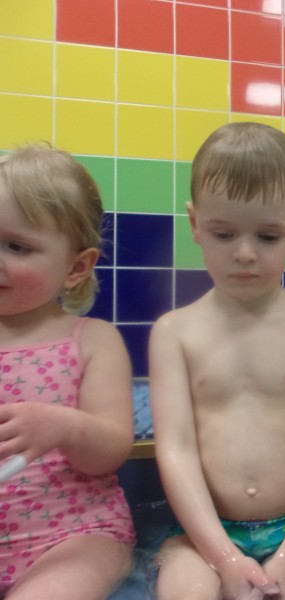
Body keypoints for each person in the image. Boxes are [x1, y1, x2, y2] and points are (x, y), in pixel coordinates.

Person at [149, 122, 285, 600]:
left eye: (268, 236)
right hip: (203, 530)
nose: (245, 254)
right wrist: (224, 556)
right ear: (195, 225)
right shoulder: (174, 334)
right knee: (184, 590)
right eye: (223, 233)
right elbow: (176, 451)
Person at [0, 145, 136, 598]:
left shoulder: (92, 339)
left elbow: (112, 449)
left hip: (73, 536)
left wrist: (62, 426)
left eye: (16, 246)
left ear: (76, 267)